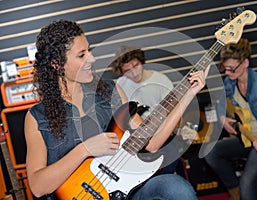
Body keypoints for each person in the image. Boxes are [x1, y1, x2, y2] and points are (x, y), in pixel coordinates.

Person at [24, 19, 208, 199]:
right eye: (82, 55)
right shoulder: (37, 117)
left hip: (130, 192)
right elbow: (38, 187)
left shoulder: (111, 92)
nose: (92, 58)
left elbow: (150, 144)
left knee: (176, 189)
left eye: (89, 50)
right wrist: (84, 149)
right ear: (56, 65)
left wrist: (189, 94)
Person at [205, 38, 257, 200]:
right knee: (210, 152)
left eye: (231, 69)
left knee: (247, 181)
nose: (227, 73)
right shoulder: (230, 82)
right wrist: (222, 117)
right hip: (246, 137)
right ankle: (235, 191)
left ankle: (242, 189)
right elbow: (221, 103)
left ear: (245, 63)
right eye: (225, 69)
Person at [110, 46, 180, 174]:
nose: (134, 73)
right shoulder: (120, 85)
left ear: (141, 61)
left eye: (136, 66)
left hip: (162, 135)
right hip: (133, 139)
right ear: (121, 71)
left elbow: (175, 114)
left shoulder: (161, 80)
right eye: (128, 71)